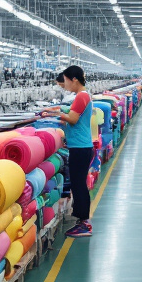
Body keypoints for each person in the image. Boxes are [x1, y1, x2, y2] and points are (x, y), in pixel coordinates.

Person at [58, 65, 97, 238]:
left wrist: (57, 115)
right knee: (78, 184)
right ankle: (82, 221)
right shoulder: (83, 95)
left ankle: (84, 224)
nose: (65, 84)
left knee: (79, 185)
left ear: (74, 79)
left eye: (66, 80)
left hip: (81, 147)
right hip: (80, 146)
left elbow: (73, 119)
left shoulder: (81, 96)